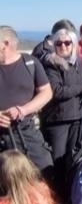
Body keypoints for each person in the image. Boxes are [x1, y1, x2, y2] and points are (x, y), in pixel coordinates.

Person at [41, 28, 82, 197]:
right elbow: (58, 91)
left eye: (67, 42)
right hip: (57, 120)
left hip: (76, 117)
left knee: (72, 159)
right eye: (58, 43)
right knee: (58, 161)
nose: (63, 46)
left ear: (74, 44)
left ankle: (69, 197)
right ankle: (57, 199)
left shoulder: (78, 63)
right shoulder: (51, 64)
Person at [0, 27, 53, 172]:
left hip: (26, 132)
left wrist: (22, 110)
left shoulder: (30, 63)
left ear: (6, 43)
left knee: (44, 172)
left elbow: (46, 92)